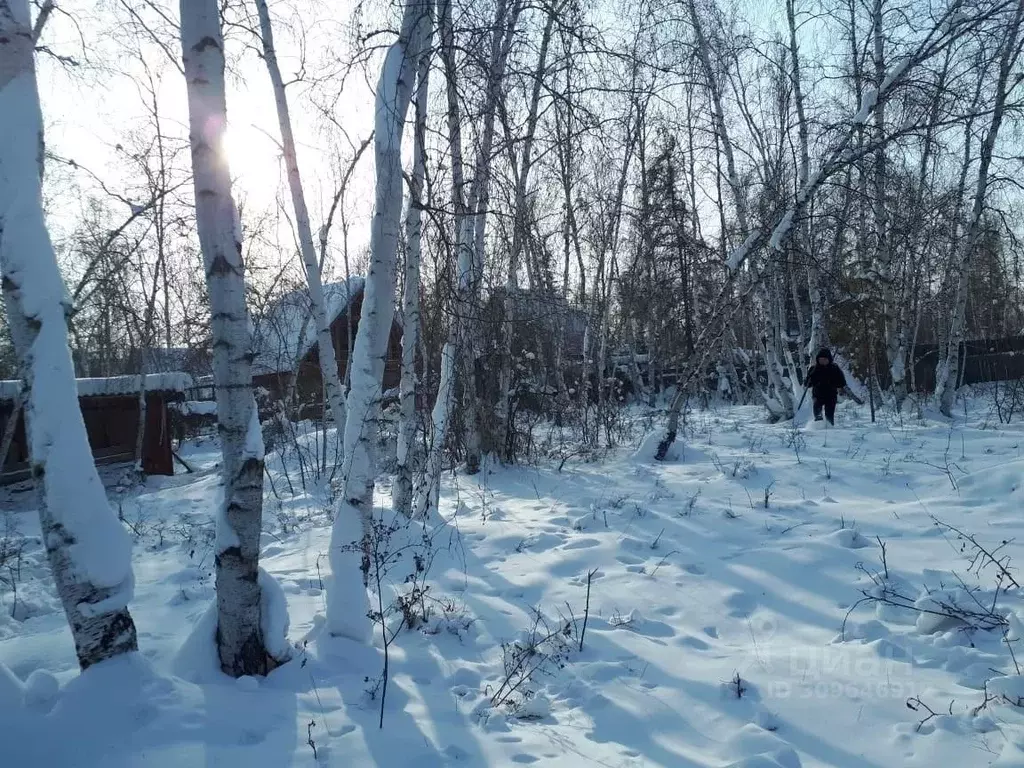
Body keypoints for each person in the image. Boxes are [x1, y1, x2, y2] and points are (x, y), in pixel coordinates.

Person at [803, 348, 859, 425]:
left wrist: (834, 381)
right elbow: (807, 384)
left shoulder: (834, 368)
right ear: (818, 359)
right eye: (821, 359)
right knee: (818, 415)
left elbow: (842, 383)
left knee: (829, 416)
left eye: (825, 359)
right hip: (817, 395)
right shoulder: (814, 369)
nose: (822, 361)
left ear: (829, 359)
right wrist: (811, 379)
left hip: (831, 396)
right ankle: (817, 430)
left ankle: (830, 431)